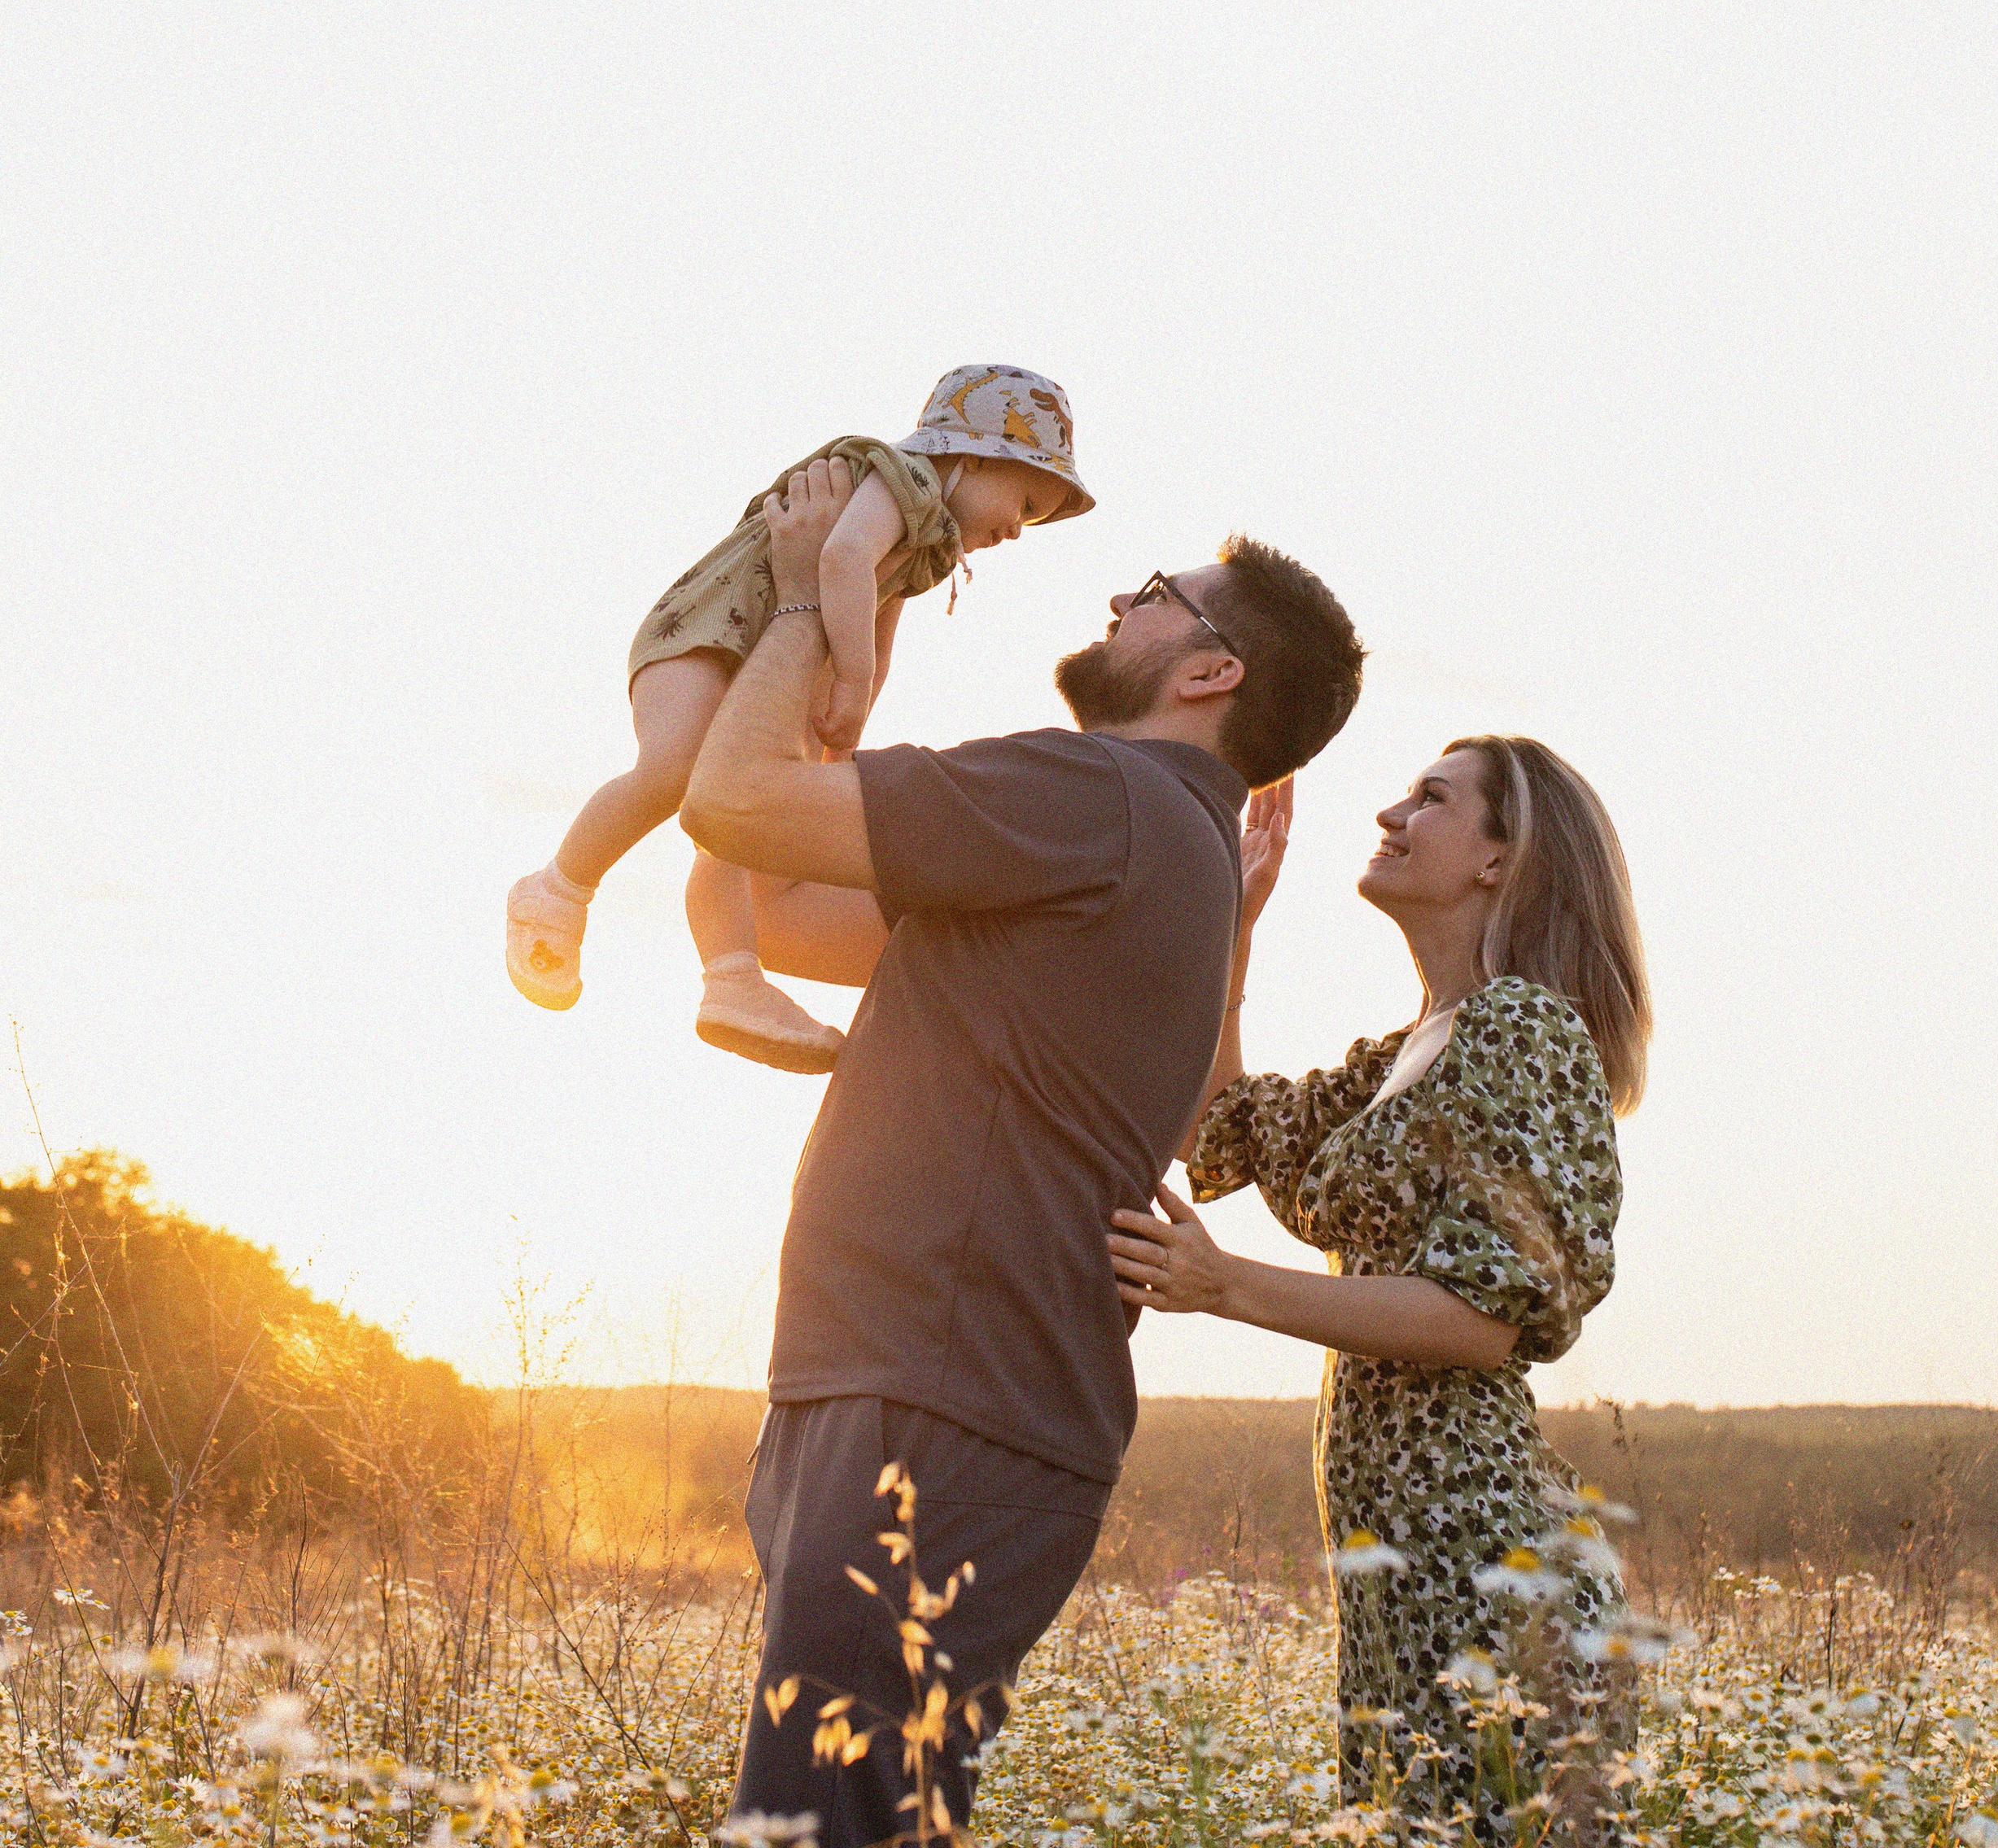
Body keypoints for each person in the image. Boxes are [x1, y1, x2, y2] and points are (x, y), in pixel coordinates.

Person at [680, 457, 1366, 1846]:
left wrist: (828, 593)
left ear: (1211, 671)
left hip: (937, 1400)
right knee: (860, 1821)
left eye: (1155, 594)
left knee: (820, 1829)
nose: (1119, 597)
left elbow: (731, 806)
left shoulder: (1099, 795)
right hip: (923, 1391)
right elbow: (793, 905)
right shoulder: (1144, 850)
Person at [1108, 739, 1652, 1827]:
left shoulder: (1522, 1030)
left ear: (1501, 859)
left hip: (1485, 1563)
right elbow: (1221, 1129)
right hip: (1401, 1569)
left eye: (1433, 800)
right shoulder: (1408, 1054)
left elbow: (1484, 1320)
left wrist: (1226, 1288)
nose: (1392, 814)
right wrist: (1235, 930)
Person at [505, 365, 1092, 1072]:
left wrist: (852, 716)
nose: (1020, 531)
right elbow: (843, 558)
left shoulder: (931, 541)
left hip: (766, 660)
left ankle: (732, 980)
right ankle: (555, 891)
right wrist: (850, 674)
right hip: (706, 630)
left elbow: (882, 618)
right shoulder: (899, 476)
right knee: (677, 769)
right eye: (1026, 501)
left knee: (737, 825)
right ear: (970, 456)